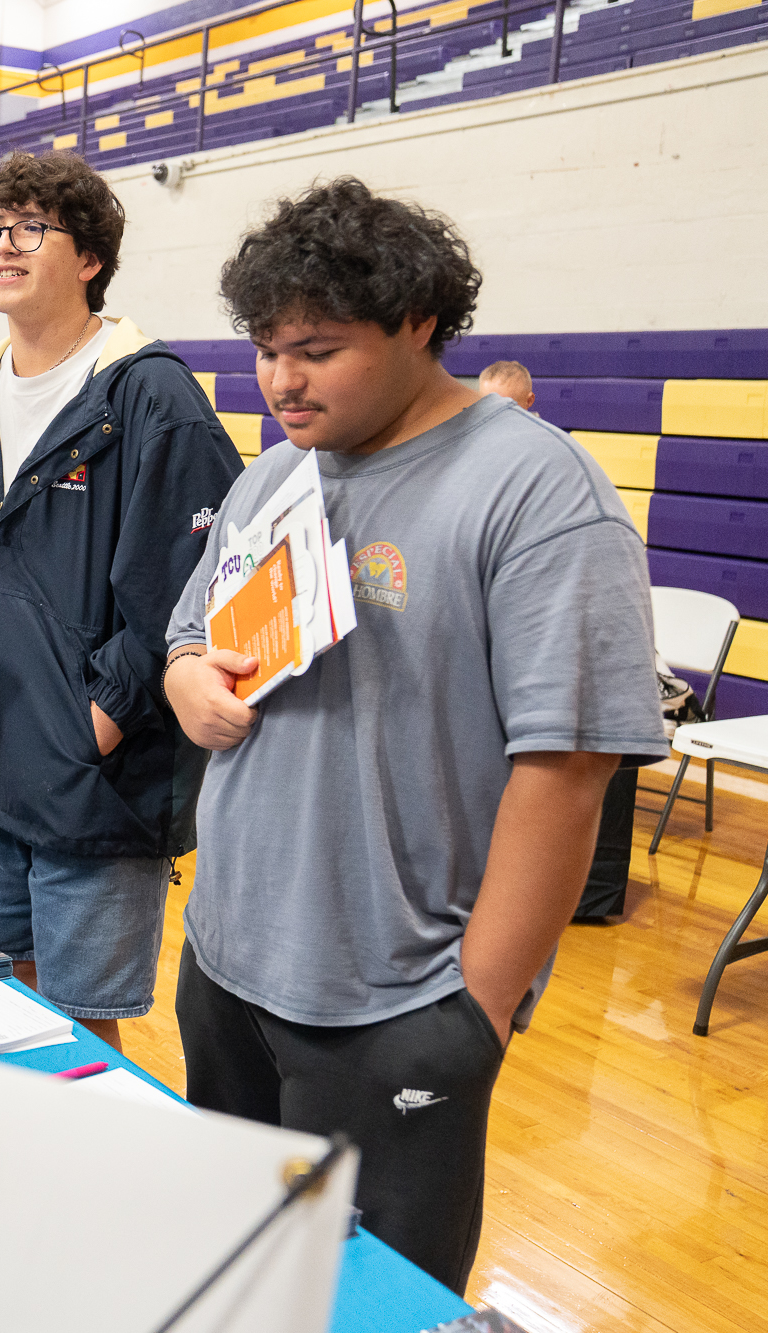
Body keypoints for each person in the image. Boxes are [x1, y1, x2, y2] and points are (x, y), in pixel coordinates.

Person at [162, 178, 665, 1294]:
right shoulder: (271, 476)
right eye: (265, 350)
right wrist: (186, 678)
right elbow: (188, 636)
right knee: (236, 1280)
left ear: (419, 323)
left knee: (370, 1303)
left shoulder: (538, 490)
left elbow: (566, 769)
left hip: (398, 1002)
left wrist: (472, 1012)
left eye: (317, 351)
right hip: (227, 965)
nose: (282, 381)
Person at [0, 150, 243, 1052]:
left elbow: (187, 593)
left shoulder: (152, 396)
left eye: (31, 228)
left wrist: (92, 725)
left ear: (90, 258)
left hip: (91, 788)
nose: (3, 245)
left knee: (77, 1033)